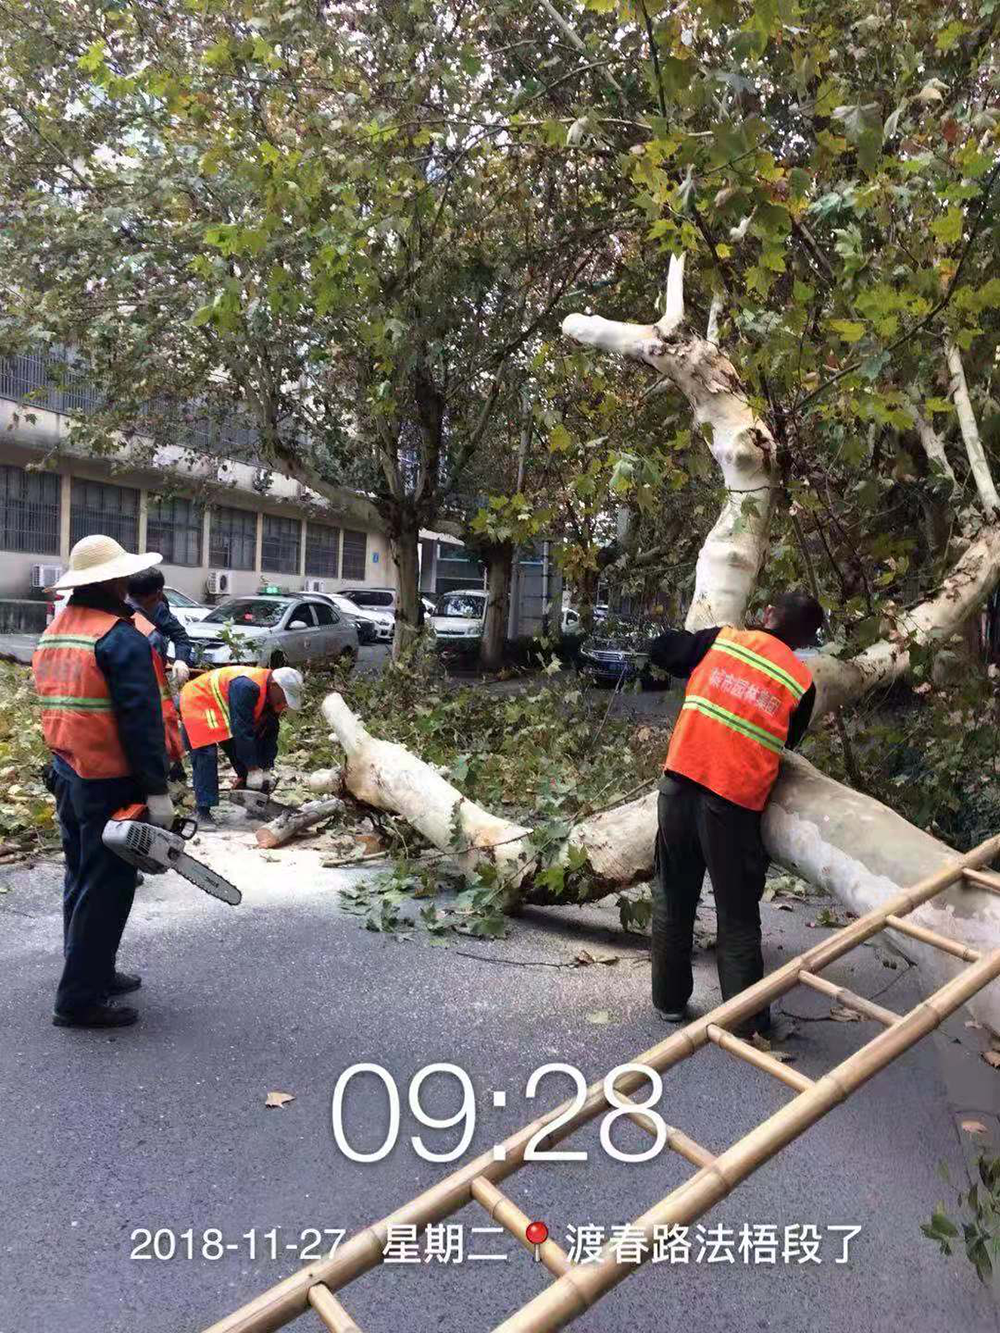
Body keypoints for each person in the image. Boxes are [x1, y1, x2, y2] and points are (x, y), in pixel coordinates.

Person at [647, 590, 823, 1036]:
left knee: (673, 896)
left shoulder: (720, 641)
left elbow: (661, 649)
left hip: (678, 784)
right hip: (732, 805)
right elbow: (789, 741)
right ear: (805, 639)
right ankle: (744, 1022)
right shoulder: (801, 683)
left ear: (768, 613)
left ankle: (669, 1003)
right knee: (737, 912)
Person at [32, 535, 175, 1029]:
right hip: (110, 781)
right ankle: (78, 999)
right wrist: (157, 790)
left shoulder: (57, 631)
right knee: (108, 888)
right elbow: (141, 724)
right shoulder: (120, 638)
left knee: (81, 878)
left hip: (67, 771)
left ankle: (93, 971)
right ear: (115, 580)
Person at [178, 664, 304, 829]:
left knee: (247, 754)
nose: (284, 703)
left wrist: (266, 768)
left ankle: (253, 805)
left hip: (224, 708)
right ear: (275, 685)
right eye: (284, 697)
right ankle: (203, 811)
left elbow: (269, 731)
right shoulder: (246, 687)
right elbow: (242, 731)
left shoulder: (272, 696)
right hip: (199, 701)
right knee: (206, 752)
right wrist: (252, 769)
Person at [126, 567, 195, 676]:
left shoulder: (159, 609)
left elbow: (180, 636)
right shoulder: (153, 637)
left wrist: (180, 660)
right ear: (159, 593)